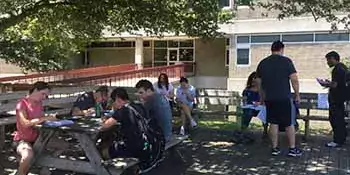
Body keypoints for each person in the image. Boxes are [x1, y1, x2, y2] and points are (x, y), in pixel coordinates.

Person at [256, 40, 302, 157]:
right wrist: (297, 94)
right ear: (282, 49)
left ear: (271, 49)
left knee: (273, 123)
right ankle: (292, 149)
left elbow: (258, 82)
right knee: (289, 123)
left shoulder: (263, 63)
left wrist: (262, 98)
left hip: (270, 98)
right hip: (284, 97)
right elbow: (294, 79)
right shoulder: (286, 61)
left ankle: (275, 148)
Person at [13, 81, 57, 175]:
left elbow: (40, 120)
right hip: (23, 139)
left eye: (46, 95)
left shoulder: (39, 103)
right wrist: (44, 118)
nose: (44, 97)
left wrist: (51, 119)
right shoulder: (22, 104)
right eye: (43, 94)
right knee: (27, 156)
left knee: (65, 145)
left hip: (39, 138)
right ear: (36, 90)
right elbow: (25, 123)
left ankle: (43, 164)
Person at [100, 87, 146, 159]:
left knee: (103, 151)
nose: (113, 104)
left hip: (132, 148)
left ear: (118, 99)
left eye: (113, 101)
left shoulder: (123, 110)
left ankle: (106, 168)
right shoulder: (137, 105)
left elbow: (104, 126)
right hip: (144, 143)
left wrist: (105, 119)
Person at [321, 51, 348, 147]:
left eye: (328, 60)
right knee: (339, 118)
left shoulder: (337, 69)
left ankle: (337, 140)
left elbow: (335, 85)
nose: (327, 62)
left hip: (336, 99)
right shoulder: (343, 67)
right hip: (341, 98)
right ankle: (342, 138)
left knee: (335, 119)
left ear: (333, 58)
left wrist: (325, 83)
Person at [242, 71, 268, 137]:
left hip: (260, 107)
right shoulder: (247, 90)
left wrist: (259, 103)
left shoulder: (263, 90)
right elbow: (245, 100)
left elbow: (265, 100)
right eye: (252, 79)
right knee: (248, 112)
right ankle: (243, 129)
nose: (253, 80)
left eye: (255, 79)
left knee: (265, 112)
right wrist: (245, 101)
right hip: (250, 107)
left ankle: (265, 130)